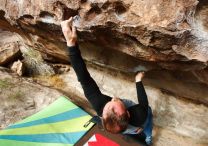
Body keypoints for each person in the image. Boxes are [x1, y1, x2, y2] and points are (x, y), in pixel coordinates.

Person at [61, 17, 153, 145]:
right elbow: (143, 103)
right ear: (128, 113)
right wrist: (138, 81)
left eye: (110, 102)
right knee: (147, 126)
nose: (114, 98)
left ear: (103, 115)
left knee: (134, 130)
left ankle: (139, 133)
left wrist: (71, 44)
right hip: (137, 124)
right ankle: (148, 137)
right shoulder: (139, 114)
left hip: (127, 129)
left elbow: (84, 78)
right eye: (116, 101)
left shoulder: (100, 106)